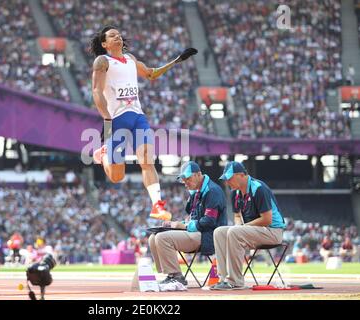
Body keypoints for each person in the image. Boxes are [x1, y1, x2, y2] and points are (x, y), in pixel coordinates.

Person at [90, 25, 197, 221]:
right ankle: (104, 155)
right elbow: (96, 91)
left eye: (119, 34)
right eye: (112, 36)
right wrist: (106, 119)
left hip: (138, 117)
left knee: (147, 161)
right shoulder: (103, 61)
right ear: (104, 44)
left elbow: (150, 73)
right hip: (117, 119)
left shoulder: (130, 59)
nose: (118, 37)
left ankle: (157, 204)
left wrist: (176, 61)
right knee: (116, 176)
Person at [148, 161, 227, 286]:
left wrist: (184, 226)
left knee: (162, 238)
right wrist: (176, 224)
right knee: (153, 238)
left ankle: (176, 277)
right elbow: (193, 217)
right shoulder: (196, 192)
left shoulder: (213, 191)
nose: (185, 183)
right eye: (183, 180)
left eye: (187, 178)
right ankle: (169, 274)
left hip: (209, 236)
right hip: (197, 232)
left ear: (198, 174)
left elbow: (209, 221)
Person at [212, 161, 286, 290]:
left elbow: (267, 219)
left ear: (241, 175)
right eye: (225, 179)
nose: (227, 182)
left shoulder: (258, 188)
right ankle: (223, 278)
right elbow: (236, 215)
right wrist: (239, 225)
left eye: (229, 178)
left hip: (273, 231)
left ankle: (235, 281)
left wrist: (242, 227)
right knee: (219, 232)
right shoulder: (236, 192)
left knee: (234, 232)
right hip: (255, 231)